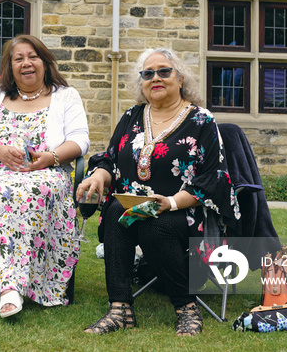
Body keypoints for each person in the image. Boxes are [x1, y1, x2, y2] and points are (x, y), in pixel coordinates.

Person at [77, 47, 240, 336]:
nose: (156, 78)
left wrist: (172, 203)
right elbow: (110, 158)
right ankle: (120, 309)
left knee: (155, 223)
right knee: (116, 210)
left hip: (187, 214)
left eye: (164, 71)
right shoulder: (132, 116)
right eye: (148, 73)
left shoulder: (201, 120)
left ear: (180, 79)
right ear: (141, 82)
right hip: (133, 208)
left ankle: (187, 308)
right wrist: (99, 176)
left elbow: (213, 178)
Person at [0, 34, 90, 318]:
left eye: (33, 57)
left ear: (45, 62)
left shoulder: (65, 96)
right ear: (9, 66)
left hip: (46, 171)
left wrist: (51, 157)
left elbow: (80, 140)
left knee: (30, 192)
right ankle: (11, 287)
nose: (26, 63)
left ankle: (8, 285)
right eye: (18, 59)